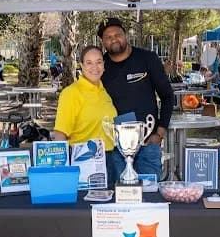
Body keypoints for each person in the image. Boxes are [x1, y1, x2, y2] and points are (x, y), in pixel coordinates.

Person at [99, 17, 174, 182]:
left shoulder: (148, 58)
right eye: (108, 37)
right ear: (103, 42)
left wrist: (160, 133)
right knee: (119, 198)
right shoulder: (100, 67)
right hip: (115, 148)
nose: (113, 39)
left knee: (150, 197)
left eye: (117, 34)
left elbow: (168, 96)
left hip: (148, 144)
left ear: (125, 35)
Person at [53, 46, 117, 148]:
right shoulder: (71, 93)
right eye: (89, 63)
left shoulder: (104, 92)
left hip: (111, 159)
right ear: (82, 66)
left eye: (99, 62)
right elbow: (60, 134)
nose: (95, 67)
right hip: (84, 160)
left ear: (104, 65)